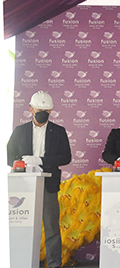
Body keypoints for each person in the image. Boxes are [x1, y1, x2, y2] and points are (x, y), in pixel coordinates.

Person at [7, 91, 71, 268]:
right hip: (23, 186)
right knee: (23, 226)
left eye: (46, 109)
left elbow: (66, 157)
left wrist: (41, 161)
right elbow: (8, 156)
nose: (42, 111)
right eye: (38, 108)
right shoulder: (20, 131)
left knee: (51, 227)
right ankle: (21, 262)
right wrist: (20, 164)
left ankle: (54, 264)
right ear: (31, 109)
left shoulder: (58, 131)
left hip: (48, 184)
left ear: (50, 111)